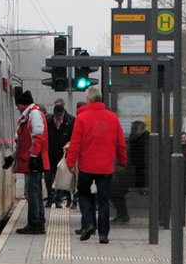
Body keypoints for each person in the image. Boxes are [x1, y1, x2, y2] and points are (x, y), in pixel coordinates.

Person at [65, 84, 127, 243]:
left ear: (88, 100)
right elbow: (120, 143)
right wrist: (122, 161)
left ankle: (89, 223)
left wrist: (70, 163)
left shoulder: (82, 118)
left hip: (87, 166)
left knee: (84, 194)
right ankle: (104, 234)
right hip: (106, 167)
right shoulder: (113, 118)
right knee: (104, 199)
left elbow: (75, 143)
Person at [14, 89, 49, 235]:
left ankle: (35, 223)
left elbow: (38, 137)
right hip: (31, 159)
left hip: (33, 160)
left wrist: (34, 156)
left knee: (32, 192)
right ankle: (38, 221)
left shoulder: (33, 114)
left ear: (22, 104)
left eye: (18, 106)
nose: (17, 108)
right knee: (35, 191)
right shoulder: (30, 114)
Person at [115, 120, 148, 224]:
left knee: (115, 190)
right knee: (115, 189)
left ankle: (123, 215)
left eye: (134, 129)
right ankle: (122, 215)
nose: (131, 131)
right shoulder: (141, 139)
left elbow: (135, 160)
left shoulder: (138, 140)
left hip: (138, 175)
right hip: (137, 173)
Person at [44, 100, 74, 209]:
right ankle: (50, 198)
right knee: (48, 177)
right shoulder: (47, 122)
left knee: (60, 176)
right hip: (50, 153)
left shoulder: (70, 121)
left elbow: (73, 138)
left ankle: (58, 200)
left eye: (60, 116)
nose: (58, 118)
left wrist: (68, 145)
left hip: (62, 154)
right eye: (57, 116)